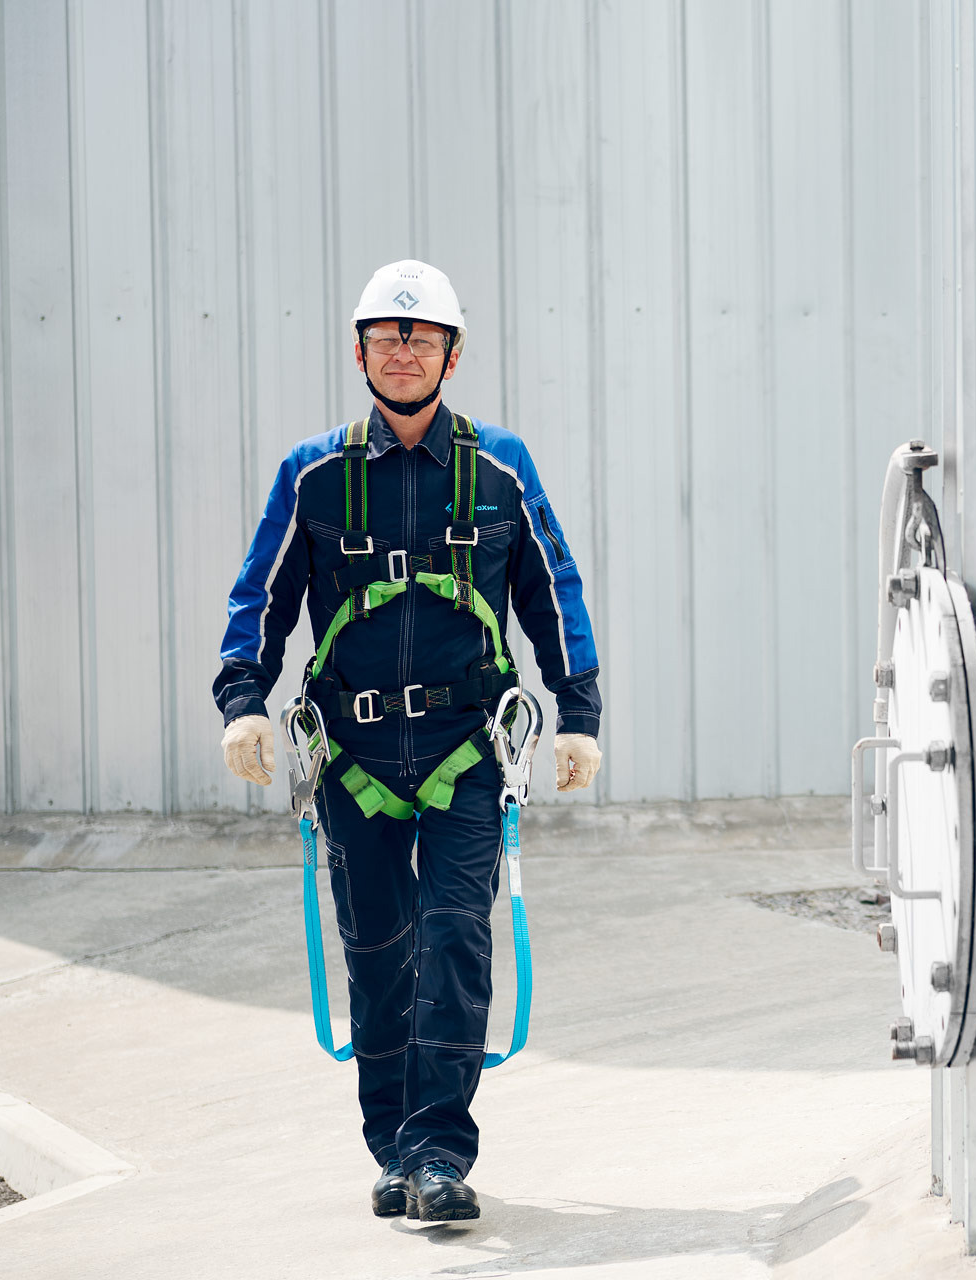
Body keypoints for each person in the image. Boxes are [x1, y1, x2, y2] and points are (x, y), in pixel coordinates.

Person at [211, 260, 602, 1222]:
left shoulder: (500, 467)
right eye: (385, 335)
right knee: (379, 954)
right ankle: (392, 1147)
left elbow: (554, 588)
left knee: (455, 942)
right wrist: (244, 699)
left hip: (468, 752)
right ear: (359, 352)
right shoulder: (315, 473)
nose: (401, 349)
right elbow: (260, 594)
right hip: (355, 759)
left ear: (452, 356)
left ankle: (438, 1152)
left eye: (421, 337)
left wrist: (578, 710)